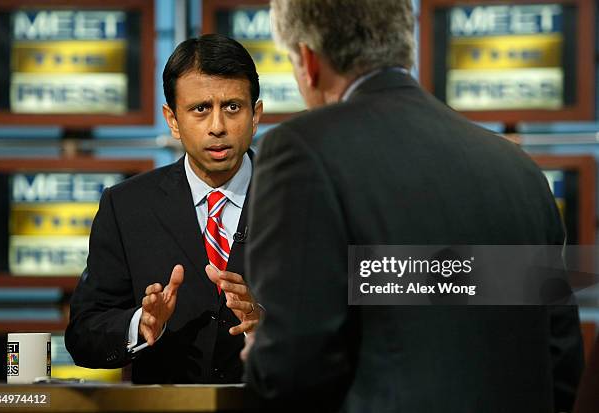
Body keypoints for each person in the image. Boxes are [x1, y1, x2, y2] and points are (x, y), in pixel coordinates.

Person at [242, 0, 584, 411]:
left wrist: (262, 358)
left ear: (309, 62)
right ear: (403, 45)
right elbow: (561, 358)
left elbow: (293, 371)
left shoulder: (302, 150)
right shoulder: (517, 167)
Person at [65, 34, 262, 384]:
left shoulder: (303, 199)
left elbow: (352, 321)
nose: (217, 126)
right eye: (200, 109)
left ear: (255, 114)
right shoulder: (126, 206)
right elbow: (83, 333)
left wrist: (271, 324)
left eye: (232, 107)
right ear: (172, 120)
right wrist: (139, 324)